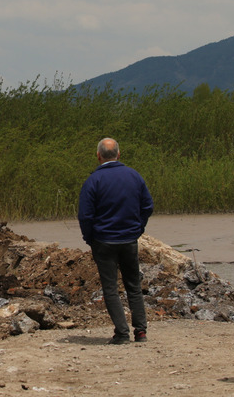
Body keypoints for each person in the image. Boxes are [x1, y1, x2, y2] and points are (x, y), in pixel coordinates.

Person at [77, 137, 153, 345]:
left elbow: (85, 215)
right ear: (118, 154)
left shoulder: (93, 181)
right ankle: (141, 331)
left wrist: (89, 237)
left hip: (104, 240)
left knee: (110, 288)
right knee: (133, 285)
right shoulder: (133, 176)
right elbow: (147, 206)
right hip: (129, 238)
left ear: (98, 156)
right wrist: (138, 228)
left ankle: (122, 332)